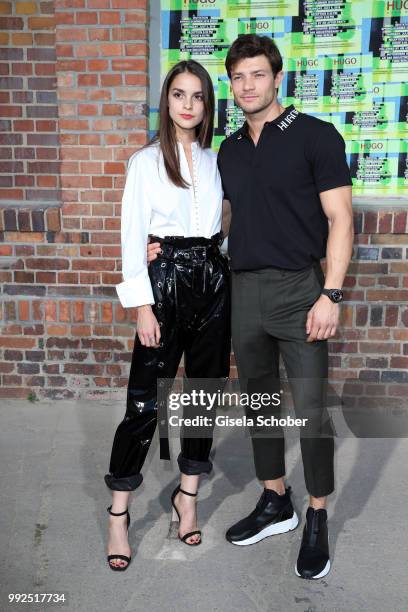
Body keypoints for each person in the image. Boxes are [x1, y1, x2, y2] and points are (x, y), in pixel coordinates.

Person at [149, 34, 354, 580]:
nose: (246, 86)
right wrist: (163, 242)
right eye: (237, 78)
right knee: (261, 403)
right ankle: (275, 499)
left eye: (257, 75)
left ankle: (315, 515)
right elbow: (199, 209)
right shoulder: (231, 150)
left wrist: (331, 293)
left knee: (310, 410)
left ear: (276, 78)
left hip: (299, 289)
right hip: (243, 290)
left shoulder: (316, 136)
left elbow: (341, 219)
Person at [104, 59, 231, 571]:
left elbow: (225, 224)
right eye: (179, 94)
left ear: (206, 106)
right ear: (166, 101)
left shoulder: (216, 160)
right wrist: (141, 304)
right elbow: (132, 236)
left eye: (197, 96)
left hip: (214, 283)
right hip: (166, 283)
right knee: (144, 404)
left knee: (204, 394)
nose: (187, 104)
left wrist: (225, 255)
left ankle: (188, 496)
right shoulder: (146, 161)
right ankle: (118, 513)